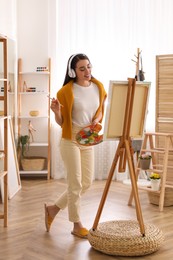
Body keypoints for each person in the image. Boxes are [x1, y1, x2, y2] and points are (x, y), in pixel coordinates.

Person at [44, 53, 107, 238]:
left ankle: (53, 209)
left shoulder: (98, 86)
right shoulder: (65, 92)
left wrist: (96, 119)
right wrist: (56, 112)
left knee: (86, 182)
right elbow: (62, 123)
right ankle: (76, 225)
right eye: (82, 68)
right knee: (75, 183)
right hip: (70, 139)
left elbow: (100, 110)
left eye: (89, 66)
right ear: (73, 71)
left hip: (88, 137)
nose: (87, 71)